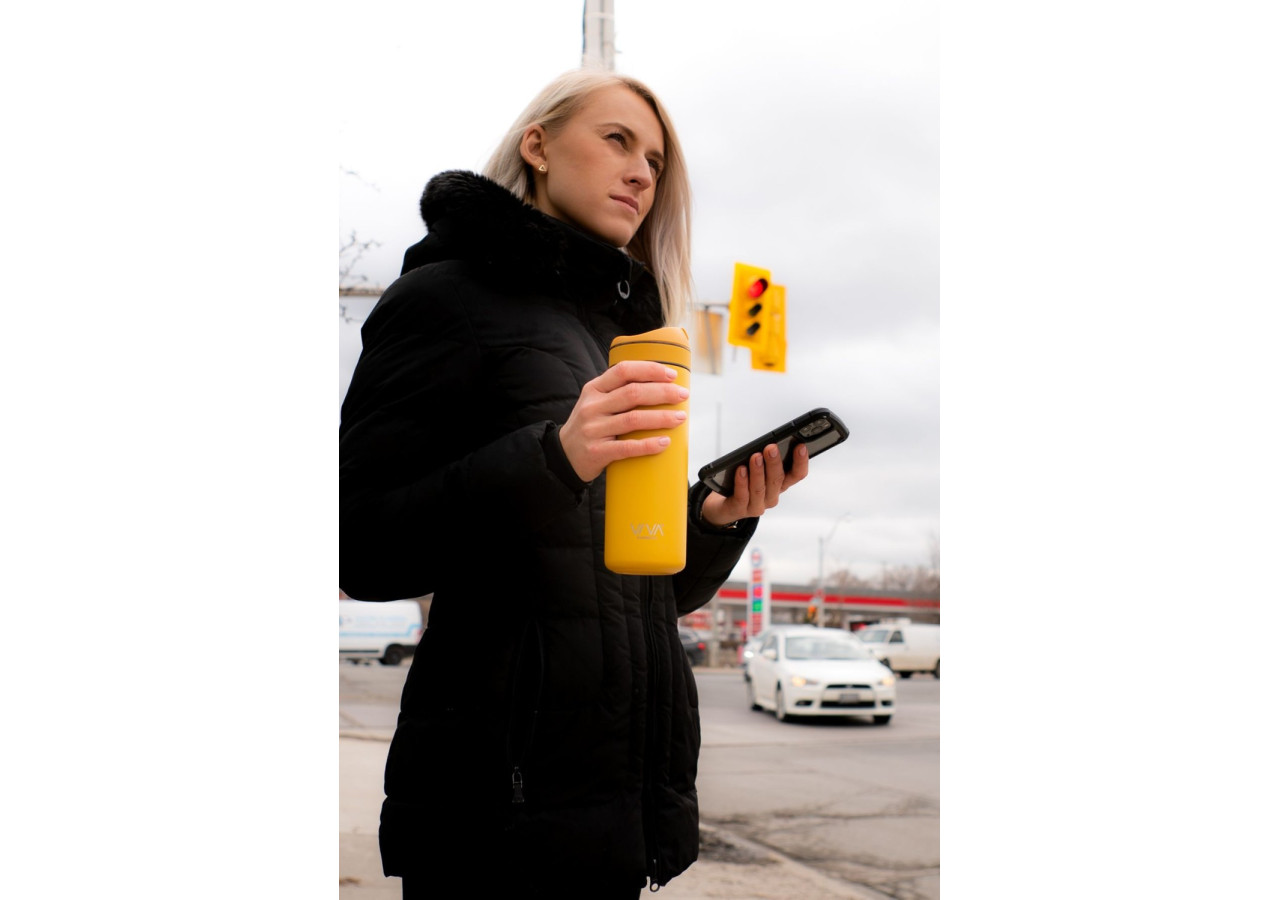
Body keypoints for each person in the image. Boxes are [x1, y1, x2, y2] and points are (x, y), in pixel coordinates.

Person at [339, 69, 809, 898]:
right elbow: (361, 544)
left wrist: (715, 521)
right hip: (495, 822)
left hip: (612, 817)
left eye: (655, 161)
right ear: (539, 145)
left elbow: (635, 592)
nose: (641, 174)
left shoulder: (621, 335)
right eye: (618, 141)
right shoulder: (443, 299)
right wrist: (557, 457)